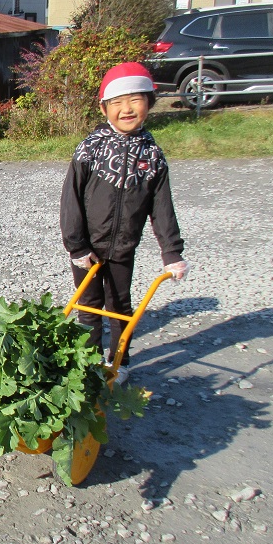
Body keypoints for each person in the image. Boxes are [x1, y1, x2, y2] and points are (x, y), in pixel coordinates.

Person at [60, 62, 190, 384]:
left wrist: (171, 252)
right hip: (87, 248)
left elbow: (162, 208)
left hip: (124, 246)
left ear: (149, 102)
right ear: (104, 108)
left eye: (135, 100)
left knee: (121, 305)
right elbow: (70, 199)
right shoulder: (90, 148)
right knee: (88, 306)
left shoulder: (153, 156)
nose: (127, 109)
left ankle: (119, 362)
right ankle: (88, 363)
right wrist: (76, 245)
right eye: (117, 103)